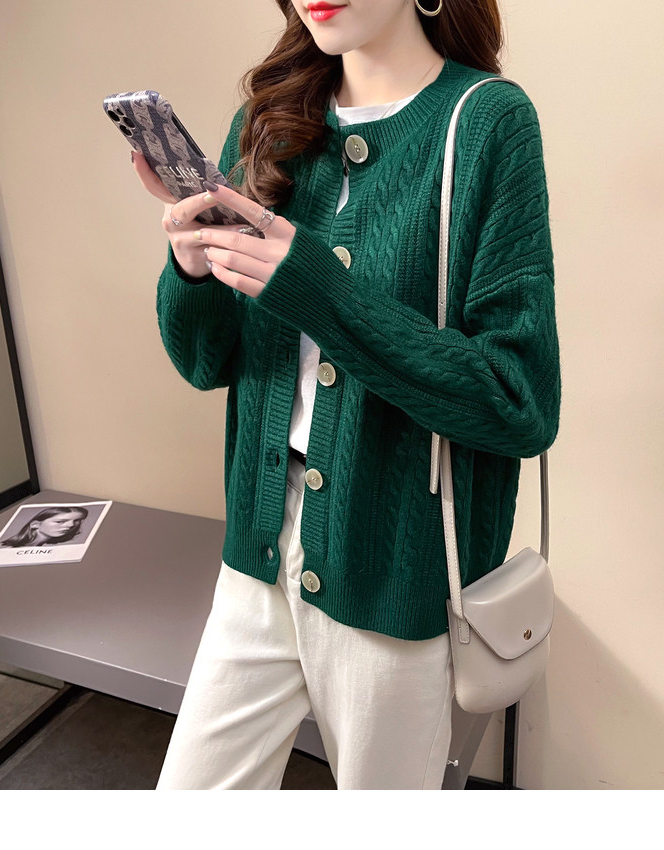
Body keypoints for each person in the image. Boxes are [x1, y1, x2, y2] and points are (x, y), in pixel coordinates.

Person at [134, 0, 560, 790]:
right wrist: (190, 267)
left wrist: (320, 292)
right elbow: (203, 362)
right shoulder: (266, 120)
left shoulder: (486, 123)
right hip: (258, 550)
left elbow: (519, 400)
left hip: (393, 566)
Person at [0, 506, 89, 547]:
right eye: (60, 521)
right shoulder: (12, 547)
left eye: (77, 521)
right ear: (35, 524)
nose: (71, 525)